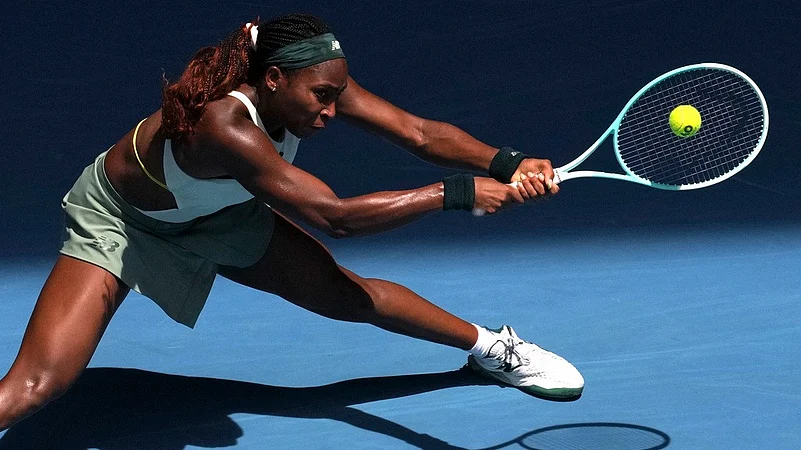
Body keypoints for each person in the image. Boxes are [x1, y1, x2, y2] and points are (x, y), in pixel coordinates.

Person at [0, 13, 583, 431]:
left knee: (344, 296)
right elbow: (335, 217)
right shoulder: (224, 125)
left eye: (336, 94)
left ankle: (492, 350)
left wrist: (505, 163)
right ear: (274, 79)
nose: (332, 112)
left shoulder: (313, 77)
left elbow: (420, 133)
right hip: (123, 222)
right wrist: (457, 193)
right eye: (321, 98)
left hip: (216, 211)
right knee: (37, 387)